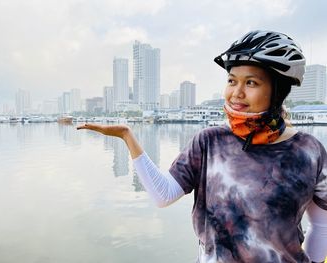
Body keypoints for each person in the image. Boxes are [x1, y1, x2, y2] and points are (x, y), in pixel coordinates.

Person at [77, 30, 327, 263]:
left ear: (278, 91)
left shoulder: (309, 151)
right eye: (232, 80)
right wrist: (127, 136)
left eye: (251, 83)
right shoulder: (209, 142)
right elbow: (163, 195)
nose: (236, 93)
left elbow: (322, 225)